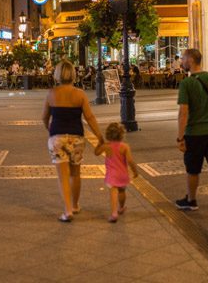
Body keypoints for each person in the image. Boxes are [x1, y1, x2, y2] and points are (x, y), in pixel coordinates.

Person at [42, 59, 104, 223]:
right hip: (77, 137)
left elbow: (44, 117)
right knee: (75, 173)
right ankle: (75, 205)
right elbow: (90, 117)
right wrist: (100, 137)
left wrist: (50, 129)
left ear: (57, 75)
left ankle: (67, 210)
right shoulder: (80, 94)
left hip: (57, 137)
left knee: (63, 176)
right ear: (73, 74)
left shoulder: (52, 94)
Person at [175, 48, 208, 219]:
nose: (181, 62)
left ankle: (191, 201)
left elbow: (183, 112)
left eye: (183, 58)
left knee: (193, 169)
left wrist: (180, 137)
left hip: (194, 134)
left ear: (190, 60)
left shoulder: (186, 83)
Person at [95, 122, 138, 223]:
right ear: (122, 134)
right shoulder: (125, 146)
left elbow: (96, 153)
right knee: (122, 191)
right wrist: (135, 171)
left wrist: (99, 143)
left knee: (113, 192)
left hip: (112, 175)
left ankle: (114, 213)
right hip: (123, 174)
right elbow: (130, 161)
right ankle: (121, 207)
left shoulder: (106, 146)